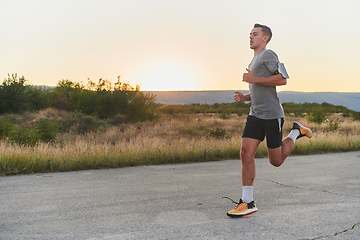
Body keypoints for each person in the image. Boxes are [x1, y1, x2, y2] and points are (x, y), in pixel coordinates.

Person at [227, 23, 312, 217]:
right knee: (245, 153)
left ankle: (296, 131)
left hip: (272, 116)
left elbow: (283, 79)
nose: (250, 37)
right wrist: (245, 97)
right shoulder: (255, 58)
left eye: (255, 34)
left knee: (276, 161)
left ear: (265, 38)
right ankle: (247, 202)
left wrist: (254, 79)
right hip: (255, 114)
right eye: (250, 34)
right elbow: (258, 89)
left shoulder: (269, 54)